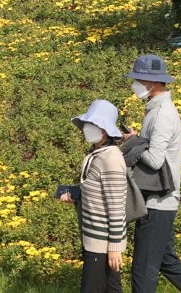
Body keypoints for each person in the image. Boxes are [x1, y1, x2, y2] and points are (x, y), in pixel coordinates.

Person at [123, 54, 181, 293]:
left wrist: (135, 143)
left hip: (157, 200)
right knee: (166, 260)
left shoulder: (161, 114)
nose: (136, 84)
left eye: (139, 79)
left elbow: (154, 159)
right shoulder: (156, 110)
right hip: (161, 199)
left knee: (143, 268)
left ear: (153, 82)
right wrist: (138, 139)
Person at [60, 99, 128, 293]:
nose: (87, 128)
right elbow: (96, 193)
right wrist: (76, 197)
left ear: (105, 130)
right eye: (87, 124)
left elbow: (116, 206)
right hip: (93, 239)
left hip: (102, 243)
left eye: (93, 125)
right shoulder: (97, 154)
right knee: (111, 289)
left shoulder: (111, 159)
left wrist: (115, 247)